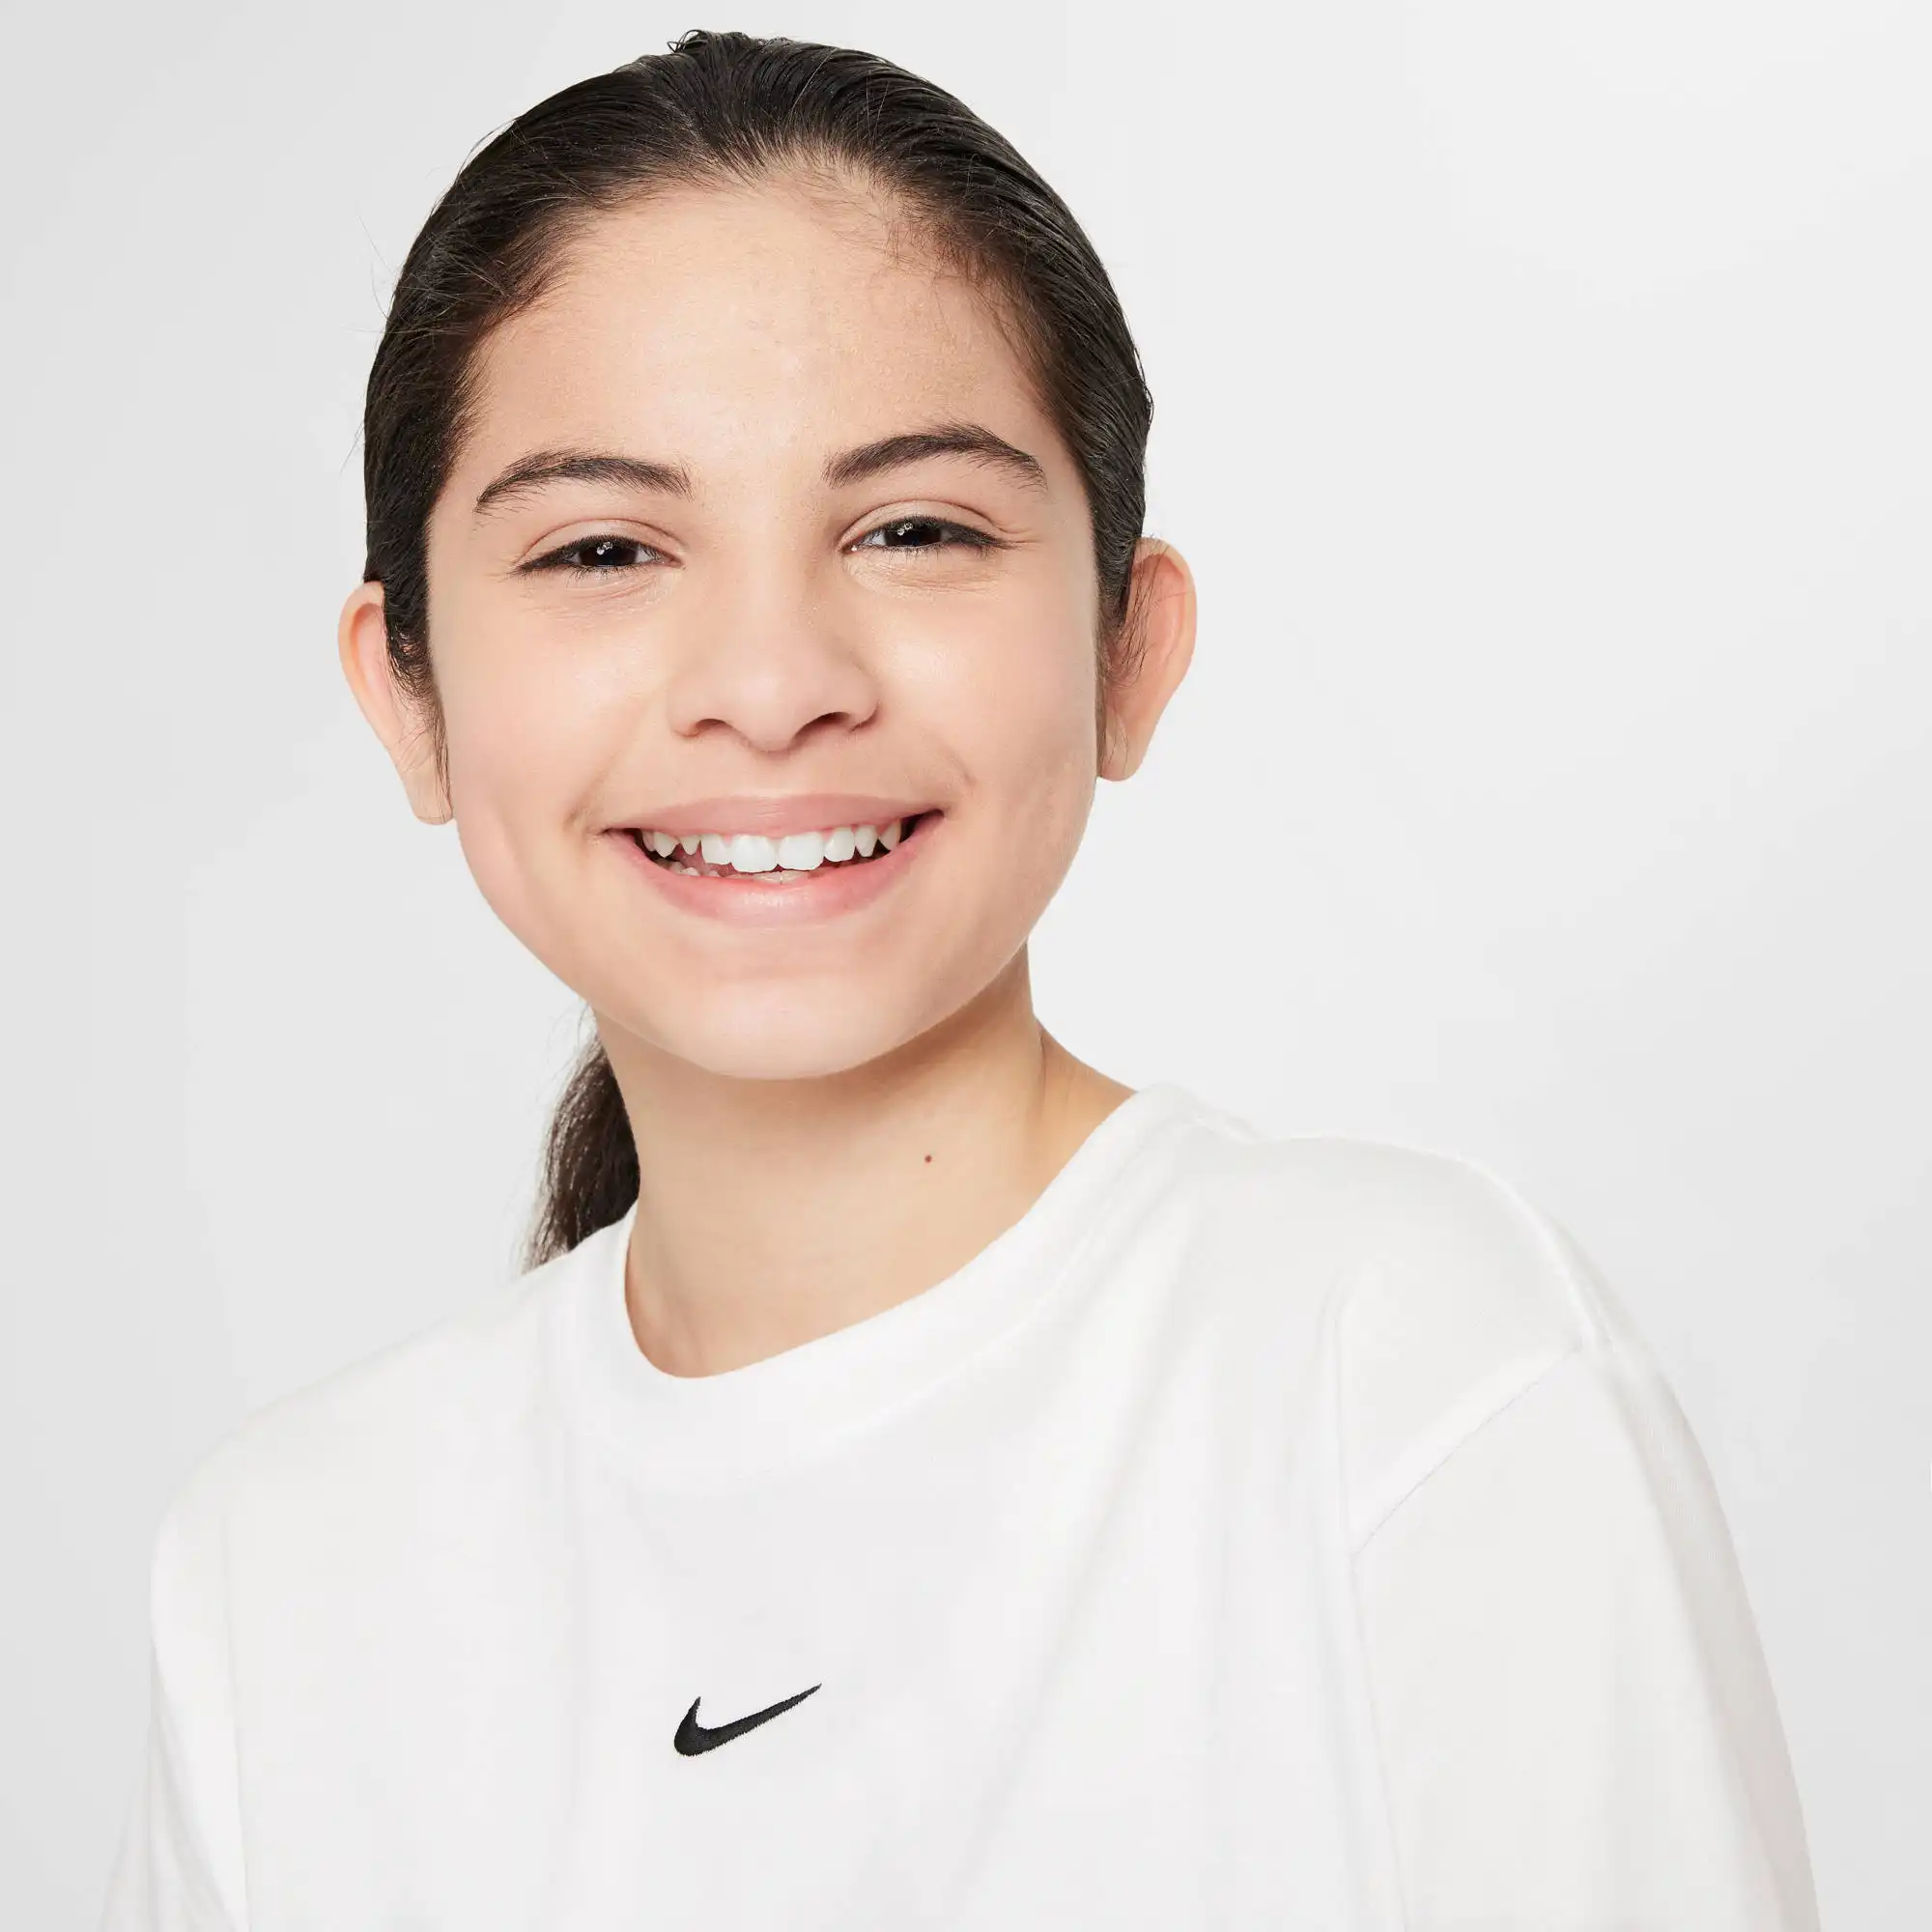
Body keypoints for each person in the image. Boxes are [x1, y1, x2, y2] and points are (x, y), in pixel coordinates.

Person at [100, 29, 1819, 1931]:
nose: (772, 684)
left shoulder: (1407, 1380)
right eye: (603, 548)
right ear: (406, 695)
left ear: (1127, 649)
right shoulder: (279, 1576)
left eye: (912, 529)